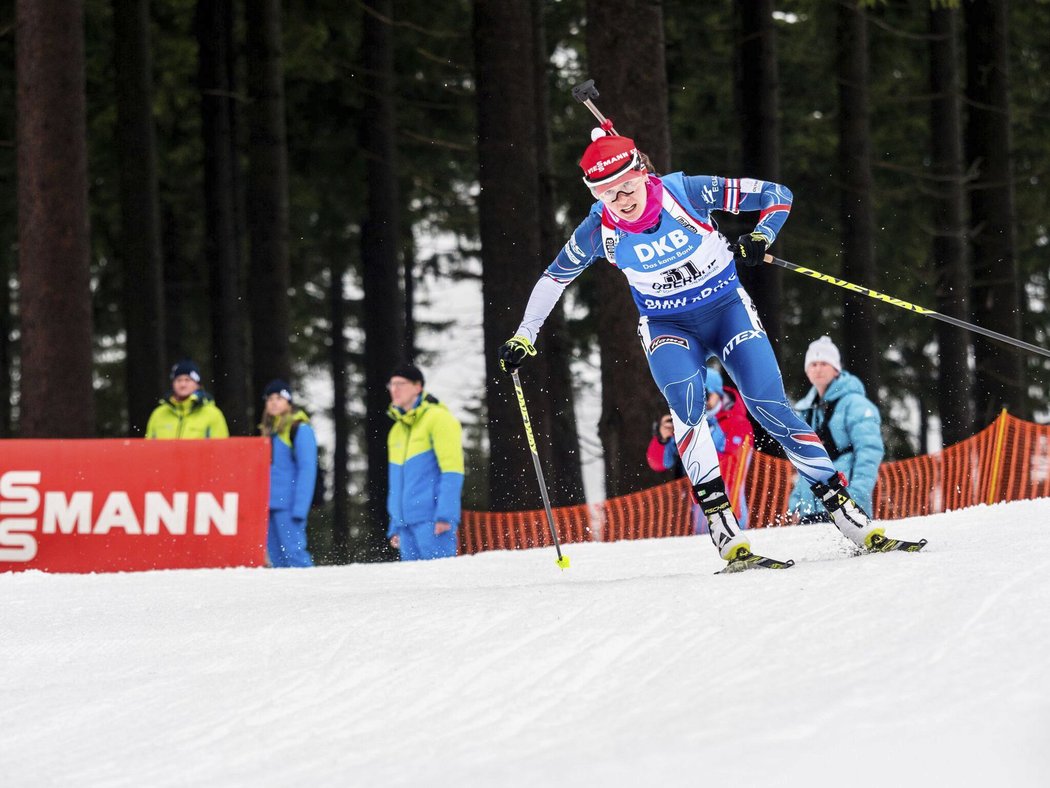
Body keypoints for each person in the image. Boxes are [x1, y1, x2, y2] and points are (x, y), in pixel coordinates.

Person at [497, 129, 923, 570]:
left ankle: (845, 511)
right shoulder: (597, 230)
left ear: (643, 174)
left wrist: (762, 235)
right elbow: (553, 278)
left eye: (625, 187)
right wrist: (525, 334)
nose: (621, 200)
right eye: (607, 193)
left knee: (769, 405)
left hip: (726, 310)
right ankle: (723, 526)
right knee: (687, 404)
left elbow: (778, 195)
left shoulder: (685, 192)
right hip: (668, 325)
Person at [788, 336, 884, 524]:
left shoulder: (855, 404)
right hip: (810, 505)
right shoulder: (804, 409)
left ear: (836, 368)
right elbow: (802, 463)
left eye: (824, 363)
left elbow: (869, 453)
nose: (818, 369)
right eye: (813, 364)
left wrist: (857, 498)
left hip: (846, 499)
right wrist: (796, 505)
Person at [646, 367, 752, 533]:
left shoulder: (737, 422)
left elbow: (731, 467)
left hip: (730, 508)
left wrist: (698, 440)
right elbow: (658, 464)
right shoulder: (685, 420)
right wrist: (663, 438)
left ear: (718, 394)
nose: (700, 400)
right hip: (694, 510)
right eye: (694, 394)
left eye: (705, 393)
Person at [386, 363, 464, 561]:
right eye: (392, 385)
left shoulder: (439, 419)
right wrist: (395, 524)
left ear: (418, 386)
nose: (394, 390)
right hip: (405, 526)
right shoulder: (396, 430)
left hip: (433, 521)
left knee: (439, 585)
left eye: (401, 384)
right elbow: (396, 484)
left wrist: (446, 515)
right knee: (414, 589)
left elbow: (452, 471)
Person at [259, 379, 317, 568]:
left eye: (279, 398)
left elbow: (307, 470)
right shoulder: (268, 431)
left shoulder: (299, 428)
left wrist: (300, 507)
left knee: (295, 554)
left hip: (289, 505)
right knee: (276, 560)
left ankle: (311, 594)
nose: (274, 402)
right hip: (269, 505)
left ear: (288, 402)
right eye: (270, 399)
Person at [145, 360, 229, 439]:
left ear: (197, 384)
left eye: (187, 380)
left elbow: (221, 449)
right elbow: (148, 449)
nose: (183, 384)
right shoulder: (158, 414)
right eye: (178, 380)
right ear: (172, 383)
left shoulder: (212, 414)